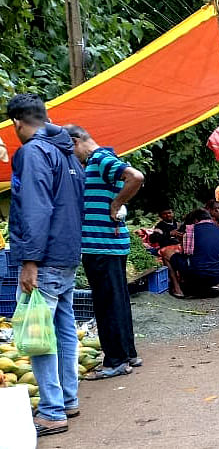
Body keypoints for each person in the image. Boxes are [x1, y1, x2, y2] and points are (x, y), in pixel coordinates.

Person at [7, 94, 85, 436]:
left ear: (17, 123)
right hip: (67, 254)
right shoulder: (67, 153)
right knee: (63, 328)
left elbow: (36, 209)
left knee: (39, 332)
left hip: (46, 257)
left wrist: (29, 260)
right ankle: (67, 399)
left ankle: (52, 411)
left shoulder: (33, 153)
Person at [66, 125, 145, 380]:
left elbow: (136, 176)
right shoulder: (97, 162)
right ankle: (127, 353)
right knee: (116, 300)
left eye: (69, 148)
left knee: (106, 303)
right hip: (106, 245)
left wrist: (116, 203)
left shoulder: (100, 159)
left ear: (76, 141)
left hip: (101, 245)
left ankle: (115, 362)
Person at [167, 209, 219, 298]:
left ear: (195, 220)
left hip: (198, 275)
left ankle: (177, 289)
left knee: (165, 253)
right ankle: (213, 285)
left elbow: (187, 254)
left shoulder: (191, 231)